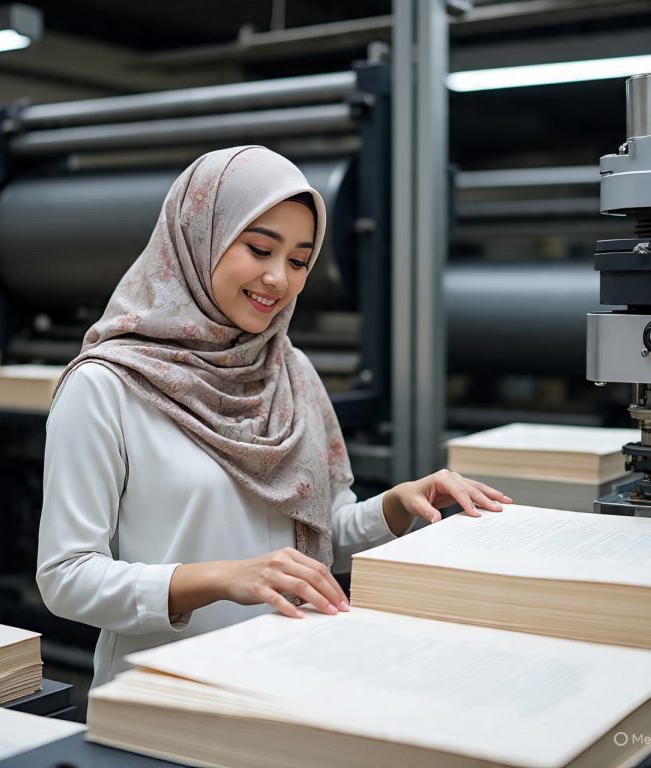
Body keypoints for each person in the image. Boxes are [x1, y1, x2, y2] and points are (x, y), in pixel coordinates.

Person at [36, 145, 511, 688]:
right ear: (198, 237)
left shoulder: (290, 371)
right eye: (259, 248)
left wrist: (399, 506)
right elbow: (67, 577)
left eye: (298, 260)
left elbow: (318, 533)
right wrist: (220, 577)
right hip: (165, 697)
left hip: (289, 678)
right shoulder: (107, 385)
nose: (277, 279)